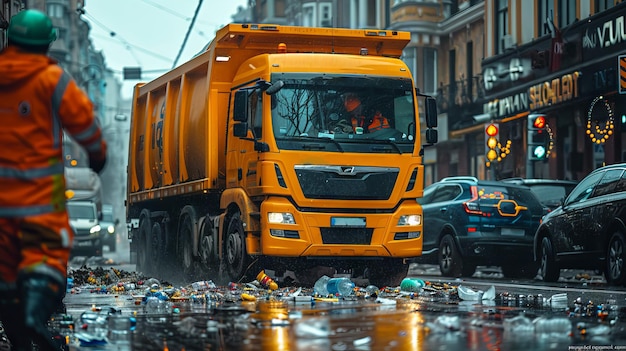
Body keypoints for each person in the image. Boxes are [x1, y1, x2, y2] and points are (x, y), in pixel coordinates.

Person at [0, 9, 107, 350]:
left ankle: (18, 337)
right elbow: (85, 123)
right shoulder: (51, 78)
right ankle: (37, 316)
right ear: (46, 46)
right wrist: (97, 155)